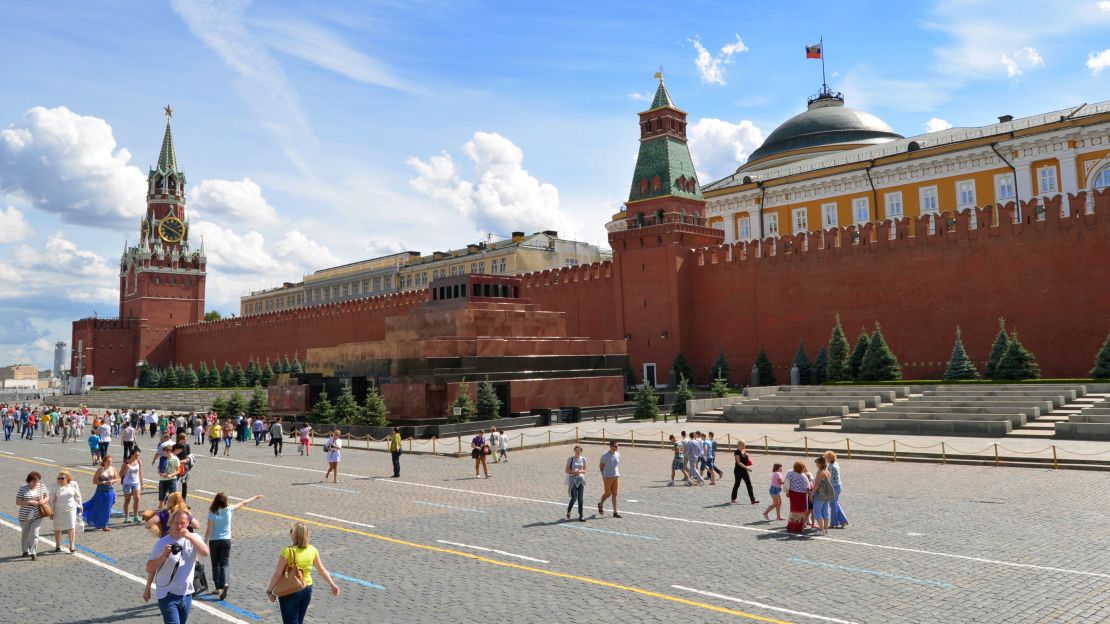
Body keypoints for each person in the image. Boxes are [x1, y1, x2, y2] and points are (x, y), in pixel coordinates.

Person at [144, 509, 211, 624]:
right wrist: (163, 556)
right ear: (170, 523)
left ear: (188, 524)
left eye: (183, 523)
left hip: (187, 595)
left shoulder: (194, 538)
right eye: (176, 523)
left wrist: (190, 537)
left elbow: (205, 553)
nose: (179, 526)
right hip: (167, 595)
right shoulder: (162, 543)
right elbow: (149, 568)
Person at [266, 522, 340, 624]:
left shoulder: (287, 551)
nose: (290, 533)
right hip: (307, 589)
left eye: (291, 531)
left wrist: (269, 591)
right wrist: (332, 584)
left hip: (290, 590)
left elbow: (278, 574)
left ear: (295, 535)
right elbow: (321, 569)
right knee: (299, 621)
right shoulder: (313, 550)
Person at [205, 492, 264, 601]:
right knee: (225, 563)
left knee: (215, 564)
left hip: (214, 541)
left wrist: (205, 543)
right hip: (226, 540)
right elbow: (243, 503)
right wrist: (255, 497)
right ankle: (226, 582)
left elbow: (209, 531)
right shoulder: (229, 510)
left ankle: (218, 587)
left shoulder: (212, 513)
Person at [17, 471, 50, 560]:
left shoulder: (41, 486)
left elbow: (47, 496)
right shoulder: (23, 488)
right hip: (25, 515)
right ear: (29, 481)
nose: (36, 483)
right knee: (25, 534)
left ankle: (33, 552)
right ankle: (25, 550)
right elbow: (18, 501)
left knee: (35, 533)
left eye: (37, 481)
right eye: (34, 481)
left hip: (37, 514)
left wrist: (43, 501)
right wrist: (29, 502)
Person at [50, 470, 83, 553]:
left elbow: (78, 496)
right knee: (58, 528)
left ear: (67, 478)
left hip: (71, 509)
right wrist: (51, 510)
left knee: (71, 527)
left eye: (62, 478)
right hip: (58, 510)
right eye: (59, 478)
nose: (60, 480)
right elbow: (51, 500)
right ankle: (57, 545)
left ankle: (72, 545)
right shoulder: (55, 486)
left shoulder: (73, 484)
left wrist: (80, 505)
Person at [83, 455, 117, 531]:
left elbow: (116, 479)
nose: (110, 463)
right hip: (100, 492)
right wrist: (103, 482)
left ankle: (105, 525)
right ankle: (81, 511)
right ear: (104, 461)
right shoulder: (100, 470)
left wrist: (112, 481)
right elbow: (94, 481)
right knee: (95, 506)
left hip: (110, 492)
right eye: (108, 461)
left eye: (111, 461)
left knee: (107, 509)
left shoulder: (113, 469)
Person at [785, 461, 813, 534]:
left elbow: (787, 482)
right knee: (801, 511)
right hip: (801, 495)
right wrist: (810, 497)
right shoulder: (803, 476)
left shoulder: (790, 473)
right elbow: (807, 488)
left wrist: (787, 492)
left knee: (793, 509)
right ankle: (798, 526)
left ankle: (791, 525)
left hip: (793, 494)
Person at [730, 439, 758, 505]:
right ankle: (733, 498)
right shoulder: (736, 452)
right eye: (743, 444)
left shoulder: (744, 451)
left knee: (749, 484)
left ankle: (752, 500)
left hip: (744, 470)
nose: (744, 445)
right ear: (739, 445)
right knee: (737, 484)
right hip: (738, 471)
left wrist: (747, 456)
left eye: (744, 444)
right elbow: (739, 462)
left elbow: (745, 460)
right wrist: (747, 468)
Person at [825, 450, 849, 529]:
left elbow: (829, 479)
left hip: (834, 487)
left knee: (833, 505)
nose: (825, 459)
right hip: (838, 485)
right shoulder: (836, 463)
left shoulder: (831, 466)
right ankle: (843, 521)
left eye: (826, 457)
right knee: (835, 503)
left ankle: (834, 522)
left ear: (829, 458)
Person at [811, 456, 834, 536]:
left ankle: (821, 530)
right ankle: (825, 529)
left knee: (817, 511)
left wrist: (812, 493)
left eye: (817, 463)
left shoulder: (820, 471)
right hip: (827, 494)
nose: (816, 465)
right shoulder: (828, 471)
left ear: (820, 463)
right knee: (825, 511)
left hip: (819, 494)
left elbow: (817, 484)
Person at [597, 441, 621, 518]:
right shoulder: (605, 455)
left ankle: (615, 512)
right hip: (607, 477)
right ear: (610, 446)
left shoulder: (617, 454)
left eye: (617, 446)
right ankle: (600, 504)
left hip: (616, 476)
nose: (616, 447)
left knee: (614, 494)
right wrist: (603, 476)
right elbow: (601, 466)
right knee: (608, 493)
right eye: (615, 446)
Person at [564, 445, 587, 521]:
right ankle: (568, 511)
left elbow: (585, 470)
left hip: (580, 479)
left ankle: (581, 515)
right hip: (572, 480)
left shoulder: (583, 459)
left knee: (580, 498)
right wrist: (573, 471)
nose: (577, 452)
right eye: (576, 450)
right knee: (574, 497)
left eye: (579, 450)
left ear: (581, 451)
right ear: (574, 451)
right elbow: (567, 470)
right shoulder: (570, 459)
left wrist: (579, 471)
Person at [121, 450, 145, 523]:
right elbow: (120, 474)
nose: (137, 457)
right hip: (127, 484)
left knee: (137, 499)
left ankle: (136, 516)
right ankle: (127, 517)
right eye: (136, 455)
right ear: (131, 455)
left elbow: (140, 473)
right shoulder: (126, 463)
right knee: (127, 501)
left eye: (138, 455)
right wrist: (126, 469)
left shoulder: (138, 462)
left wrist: (142, 483)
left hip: (136, 483)